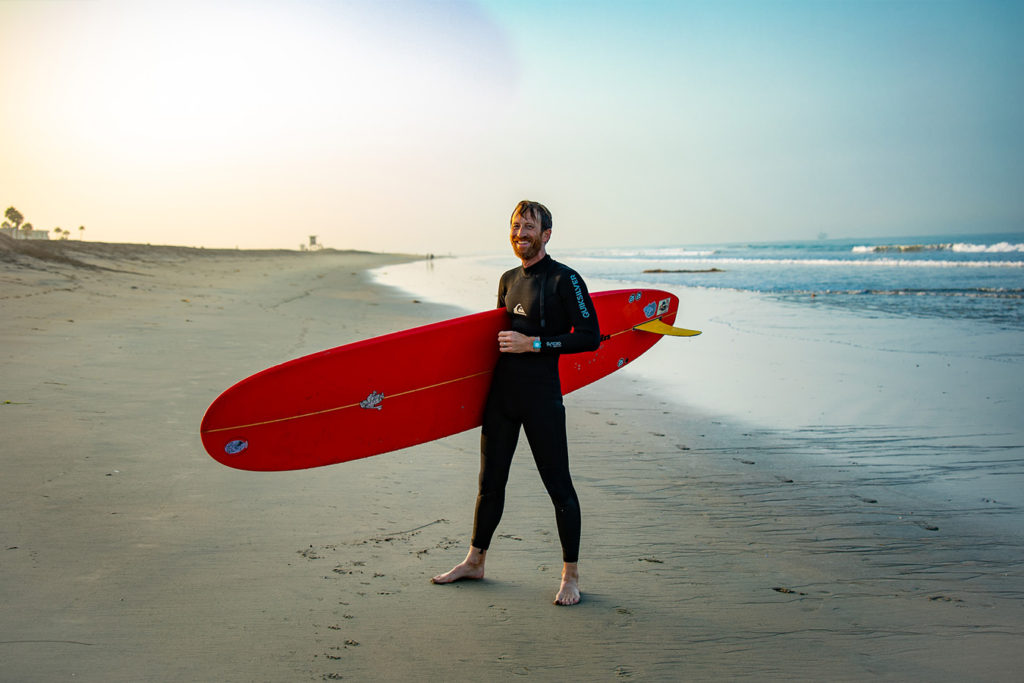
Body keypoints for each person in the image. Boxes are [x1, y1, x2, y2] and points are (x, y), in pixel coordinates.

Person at [431, 200, 600, 606]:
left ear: (546, 234)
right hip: (502, 398)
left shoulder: (565, 279)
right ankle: (475, 560)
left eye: (529, 226)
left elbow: (590, 335)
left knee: (558, 486)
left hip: (541, 398)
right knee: (490, 485)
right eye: (515, 226)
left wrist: (535, 344)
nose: (520, 233)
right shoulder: (507, 280)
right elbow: (489, 341)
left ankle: (571, 576)